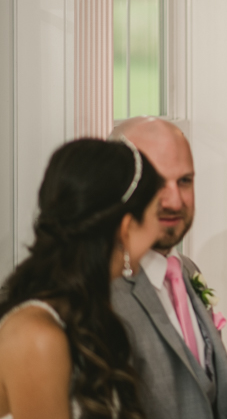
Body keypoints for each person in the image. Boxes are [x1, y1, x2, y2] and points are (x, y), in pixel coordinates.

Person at [0, 138, 164, 419]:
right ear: (126, 228)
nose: (161, 229)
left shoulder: (88, 310)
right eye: (157, 212)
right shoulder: (37, 335)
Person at [110, 118, 227, 419]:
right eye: (156, 182)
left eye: (184, 181)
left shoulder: (185, 270)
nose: (175, 200)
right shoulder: (98, 293)